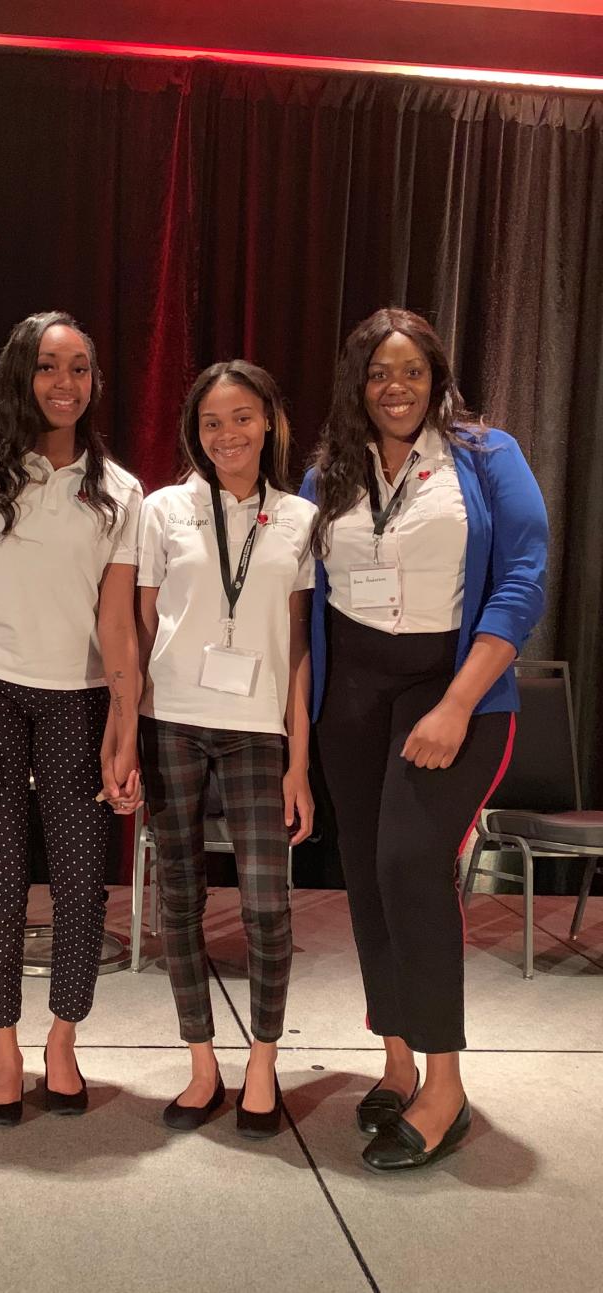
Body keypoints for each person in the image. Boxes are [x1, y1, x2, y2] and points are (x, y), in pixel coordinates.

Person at [300, 307, 547, 1171]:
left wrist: (454, 702)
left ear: (436, 376)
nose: (393, 387)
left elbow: (522, 577)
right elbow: (299, 592)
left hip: (455, 688)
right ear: (356, 385)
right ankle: (397, 1060)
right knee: (367, 876)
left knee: (411, 862)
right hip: (353, 697)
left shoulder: (487, 455)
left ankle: (446, 1085)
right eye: (376, 373)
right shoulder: (328, 470)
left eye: (409, 370)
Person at [0, 310, 142, 1126]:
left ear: (95, 382)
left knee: (82, 881)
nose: (66, 384)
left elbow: (119, 621)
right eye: (51, 367)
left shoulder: (118, 489)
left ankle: (63, 1040)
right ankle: (3, 1050)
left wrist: (123, 731)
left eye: (81, 368)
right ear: (22, 374)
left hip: (82, 697)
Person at [137, 360, 316, 1138]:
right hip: (171, 716)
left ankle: (265, 1062)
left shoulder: (303, 518)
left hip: (258, 727)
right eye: (212, 422)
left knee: (267, 905)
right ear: (195, 431)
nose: (227, 434)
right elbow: (144, 622)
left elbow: (302, 649)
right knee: (180, 900)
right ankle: (202, 1060)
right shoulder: (162, 510)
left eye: (242, 417)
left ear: (269, 422)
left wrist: (299, 764)